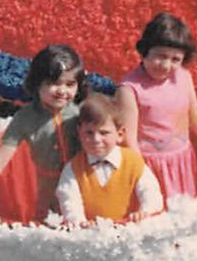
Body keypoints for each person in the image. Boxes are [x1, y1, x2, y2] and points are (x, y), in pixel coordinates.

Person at [114, 12, 197, 203]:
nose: (166, 65)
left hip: (180, 161)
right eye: (160, 56)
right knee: (155, 215)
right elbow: (128, 141)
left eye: (175, 59)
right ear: (144, 51)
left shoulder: (183, 77)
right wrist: (142, 177)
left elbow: (196, 116)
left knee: (182, 212)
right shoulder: (130, 89)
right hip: (149, 166)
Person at [0, 44, 86, 222]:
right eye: (54, 83)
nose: (62, 91)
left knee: (82, 218)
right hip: (48, 183)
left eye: (70, 84)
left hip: (81, 179)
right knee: (48, 220)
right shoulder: (26, 118)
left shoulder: (79, 112)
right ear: (37, 83)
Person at [56, 93, 163, 224]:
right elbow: (69, 199)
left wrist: (145, 211)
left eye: (104, 133)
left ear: (119, 134)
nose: (96, 139)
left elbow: (150, 191)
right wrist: (78, 220)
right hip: (91, 235)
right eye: (89, 133)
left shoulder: (133, 162)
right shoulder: (74, 168)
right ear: (79, 133)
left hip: (130, 231)